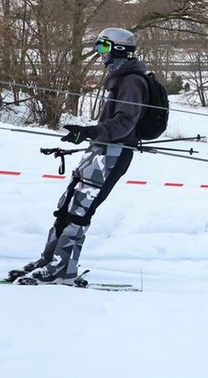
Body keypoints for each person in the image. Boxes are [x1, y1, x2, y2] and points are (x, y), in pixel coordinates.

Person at [10, 28, 147, 286]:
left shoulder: (132, 81)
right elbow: (111, 124)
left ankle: (63, 270)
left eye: (103, 48)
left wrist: (91, 131)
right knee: (66, 206)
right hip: (100, 151)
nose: (100, 54)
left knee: (80, 211)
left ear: (119, 49)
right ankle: (48, 260)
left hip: (114, 154)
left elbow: (125, 123)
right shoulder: (120, 78)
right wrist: (86, 134)